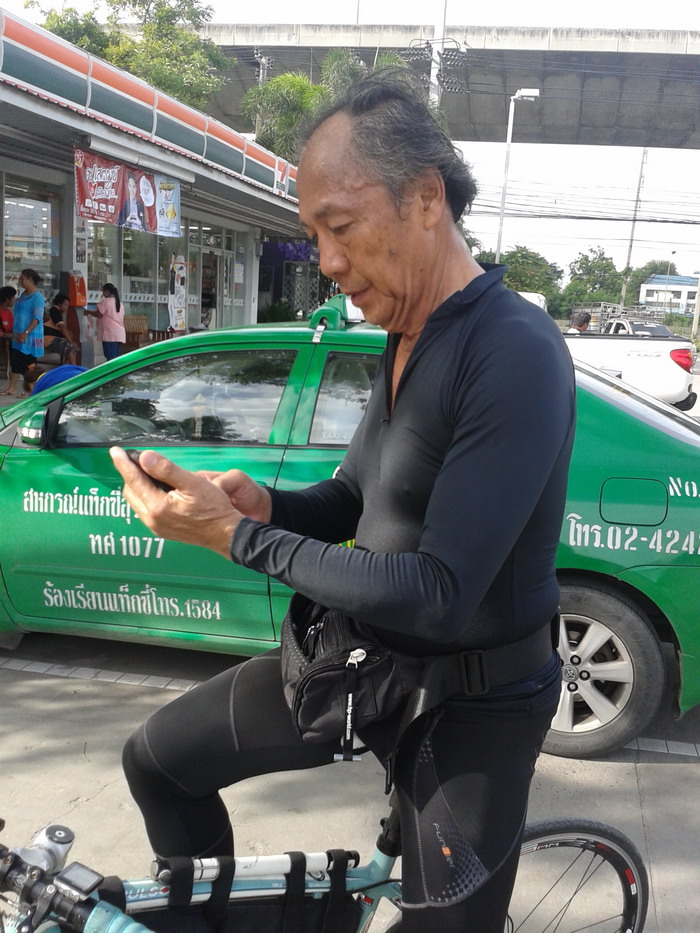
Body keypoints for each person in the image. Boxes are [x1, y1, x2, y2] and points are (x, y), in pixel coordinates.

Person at [111, 74, 576, 933]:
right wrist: (265, 504)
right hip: (370, 666)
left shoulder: (514, 349)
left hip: (476, 705)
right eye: (314, 234)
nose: (326, 260)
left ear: (425, 199)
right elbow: (360, 495)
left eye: (341, 227)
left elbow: (439, 592)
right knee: (158, 762)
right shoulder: (405, 332)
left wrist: (237, 537)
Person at [2, 269, 44, 396]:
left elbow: (37, 318)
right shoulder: (23, 295)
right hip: (18, 335)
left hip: (29, 336)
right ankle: (11, 388)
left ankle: (32, 390)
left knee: (29, 363)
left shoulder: (37, 297)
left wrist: (26, 332)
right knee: (16, 360)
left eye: (22, 279)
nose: (20, 281)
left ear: (30, 279)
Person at [85, 283, 125, 361]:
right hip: (119, 333)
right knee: (115, 357)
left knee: (110, 358)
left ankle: (111, 369)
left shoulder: (105, 302)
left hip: (109, 334)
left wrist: (88, 312)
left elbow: (99, 314)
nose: (103, 294)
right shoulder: (120, 304)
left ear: (107, 291)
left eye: (103, 291)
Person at [44, 292, 79, 364]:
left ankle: (65, 369)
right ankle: (74, 368)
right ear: (59, 304)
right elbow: (62, 327)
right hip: (48, 339)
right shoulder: (55, 311)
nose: (67, 308)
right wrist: (71, 341)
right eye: (65, 305)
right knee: (71, 348)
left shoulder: (54, 311)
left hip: (50, 338)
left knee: (71, 350)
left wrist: (68, 335)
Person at [0, 286, 17, 374]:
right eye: (13, 297)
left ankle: (14, 369)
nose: (14, 300)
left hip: (5, 341)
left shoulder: (9, 313)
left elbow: (10, 329)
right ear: (8, 299)